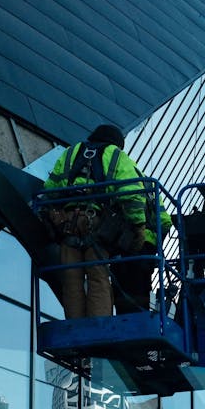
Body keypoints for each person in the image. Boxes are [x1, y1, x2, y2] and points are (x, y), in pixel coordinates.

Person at [42, 124, 168, 317]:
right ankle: (99, 324)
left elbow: (51, 188)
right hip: (96, 225)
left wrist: (49, 214)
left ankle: (76, 326)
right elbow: (131, 195)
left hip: (67, 225)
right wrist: (138, 227)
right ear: (117, 143)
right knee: (98, 278)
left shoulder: (71, 153)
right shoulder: (116, 156)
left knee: (71, 279)